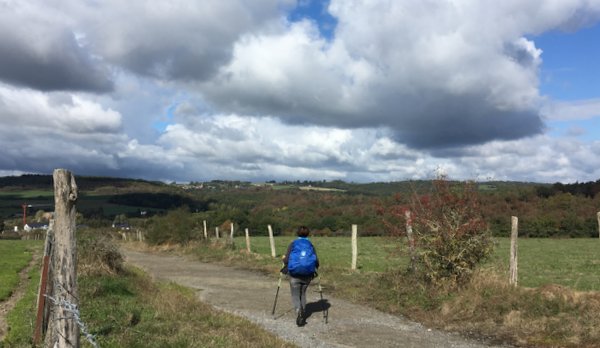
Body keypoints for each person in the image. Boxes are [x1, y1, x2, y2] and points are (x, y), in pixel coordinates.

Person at [281, 226, 319, 326]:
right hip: (308, 275)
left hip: (294, 274)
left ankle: (299, 311)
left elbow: (286, 260)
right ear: (308, 234)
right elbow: (316, 261)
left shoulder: (293, 244)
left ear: (297, 233)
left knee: (295, 294)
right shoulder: (310, 245)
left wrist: (283, 259)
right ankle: (303, 312)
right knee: (303, 293)